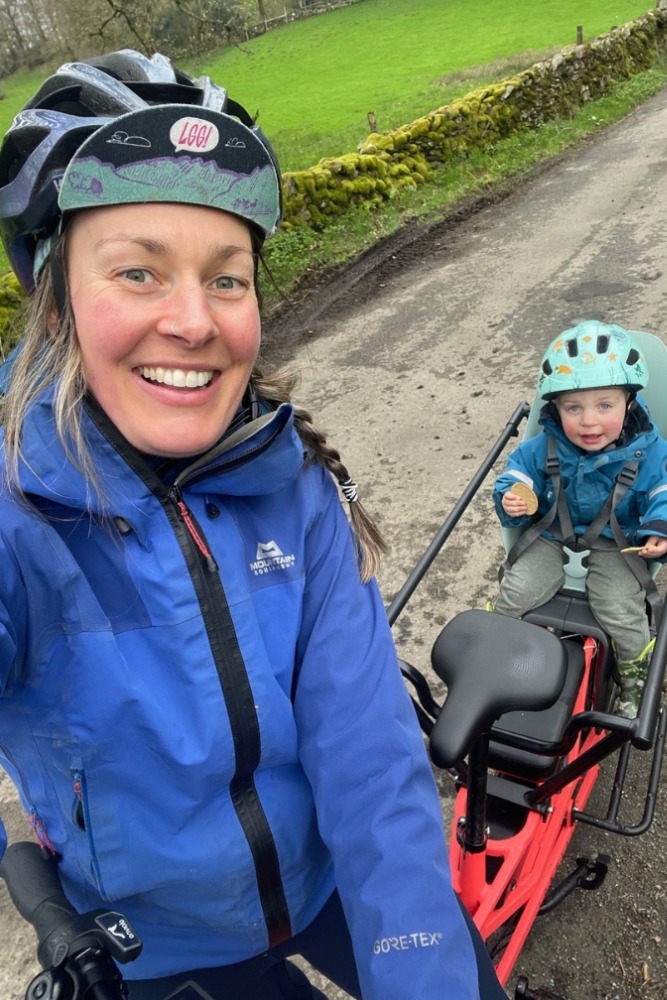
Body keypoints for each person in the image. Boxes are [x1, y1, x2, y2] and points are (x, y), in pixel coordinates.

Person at [0, 50, 509, 1000]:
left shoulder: (294, 480)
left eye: (227, 279)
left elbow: (366, 753)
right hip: (159, 951)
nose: (194, 321)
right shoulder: (14, 510)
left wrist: (422, 971)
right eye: (139, 272)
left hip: (337, 888)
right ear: (53, 293)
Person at [492, 322, 667, 718]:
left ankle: (633, 673)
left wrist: (660, 528)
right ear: (555, 408)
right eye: (573, 407)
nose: (588, 422)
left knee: (620, 608)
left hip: (621, 541)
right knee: (514, 594)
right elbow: (516, 471)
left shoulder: (652, 451)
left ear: (629, 404)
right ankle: (498, 655)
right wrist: (511, 496)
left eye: (605, 406)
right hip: (551, 534)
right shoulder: (545, 444)